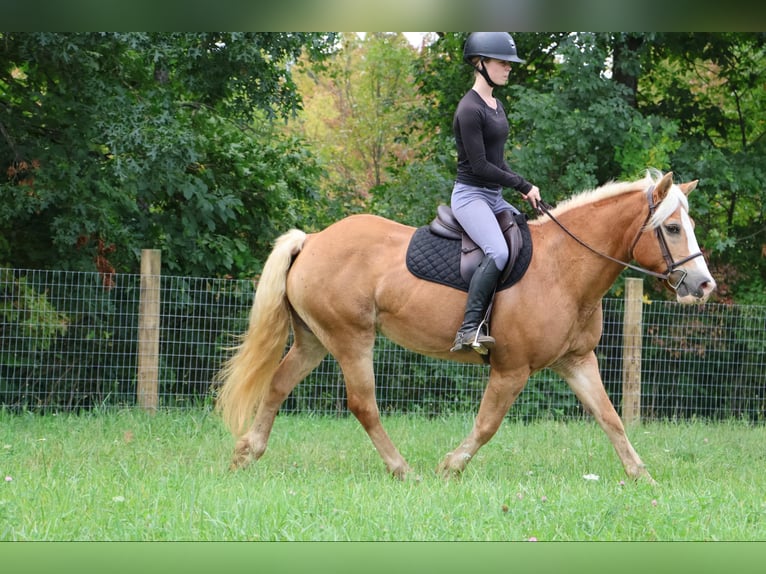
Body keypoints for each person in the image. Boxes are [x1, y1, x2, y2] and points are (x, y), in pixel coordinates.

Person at [450, 32, 542, 354]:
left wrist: (521, 187)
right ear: (481, 63)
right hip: (470, 196)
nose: (509, 68)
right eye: (503, 63)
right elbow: (479, 166)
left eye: (509, 63)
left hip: (493, 196)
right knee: (499, 252)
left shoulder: (496, 105)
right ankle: (468, 329)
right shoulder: (468, 109)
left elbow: (498, 161)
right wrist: (521, 184)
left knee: (529, 237)